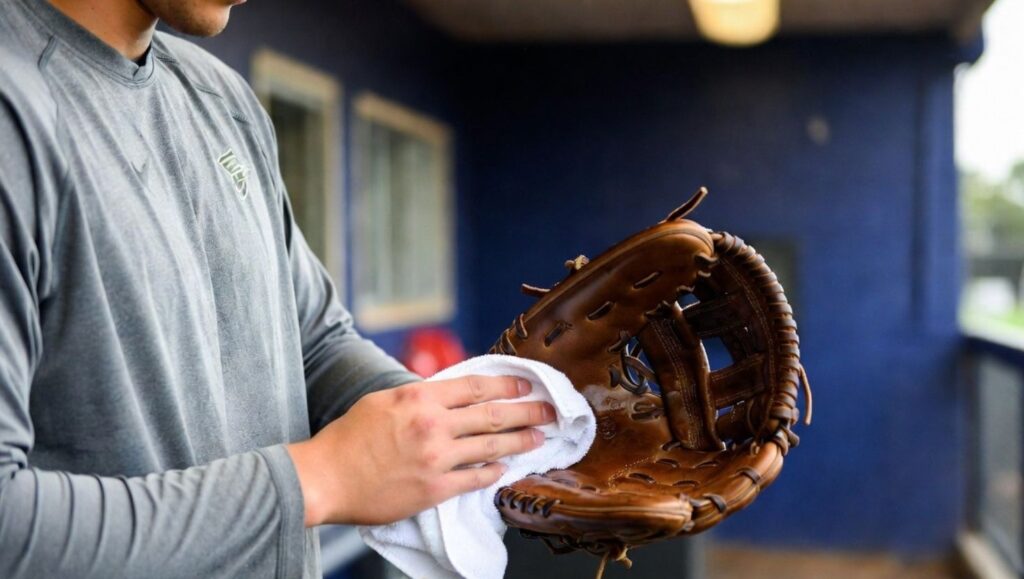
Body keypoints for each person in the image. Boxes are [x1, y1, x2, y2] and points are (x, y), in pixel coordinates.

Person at [0, 0, 556, 576]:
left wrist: (461, 433)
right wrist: (321, 478)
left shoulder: (223, 100)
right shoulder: (15, 105)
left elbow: (313, 344)